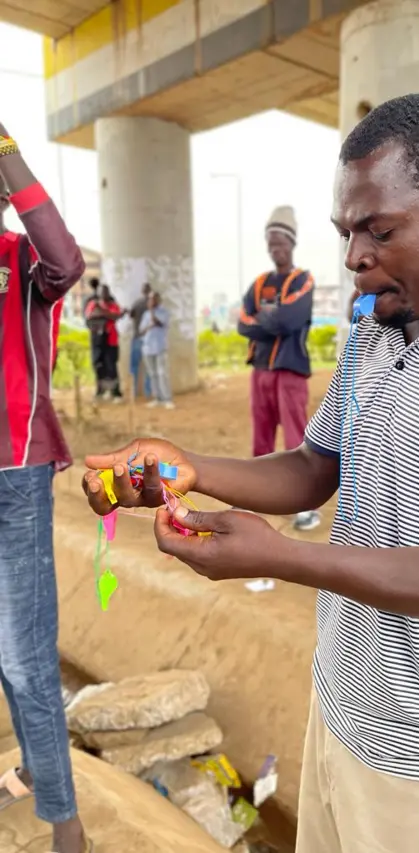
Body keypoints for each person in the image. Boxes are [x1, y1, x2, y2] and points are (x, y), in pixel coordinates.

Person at [83, 94, 419, 853]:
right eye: (345, 232)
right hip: (338, 704)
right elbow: (312, 466)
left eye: (380, 229)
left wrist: (283, 558)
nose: (355, 256)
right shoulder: (374, 328)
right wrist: (186, 466)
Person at [0, 124, 92, 852]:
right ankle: (34, 764)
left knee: (26, 652)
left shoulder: (24, 260)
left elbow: (69, 257)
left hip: (15, 473)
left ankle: (66, 823)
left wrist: (9, 154)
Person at [237, 205, 319, 532]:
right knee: (261, 439)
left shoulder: (303, 279)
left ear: (292, 243)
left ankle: (306, 507)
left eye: (280, 243)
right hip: (261, 372)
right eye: (270, 244)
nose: (275, 250)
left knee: (297, 441)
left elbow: (291, 319)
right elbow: (243, 324)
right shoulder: (259, 284)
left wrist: (265, 318)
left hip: (290, 371)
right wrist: (271, 320)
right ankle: (258, 499)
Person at [85, 284, 124, 403]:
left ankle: (116, 393)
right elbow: (89, 317)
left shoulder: (113, 305)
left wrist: (101, 311)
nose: (103, 294)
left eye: (105, 292)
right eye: (101, 292)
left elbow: (116, 316)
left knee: (111, 366)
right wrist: (106, 315)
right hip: (97, 340)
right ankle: (101, 391)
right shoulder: (92, 304)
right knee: (98, 365)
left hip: (111, 340)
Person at [140, 290, 174, 410]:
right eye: (149, 299)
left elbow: (159, 323)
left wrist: (151, 312)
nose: (151, 301)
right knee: (152, 374)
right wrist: (148, 325)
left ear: (158, 300)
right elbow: (141, 331)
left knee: (162, 373)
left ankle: (167, 399)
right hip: (148, 347)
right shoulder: (145, 315)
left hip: (160, 347)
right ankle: (157, 398)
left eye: (153, 299)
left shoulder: (163, 312)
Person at [129, 282, 152, 399]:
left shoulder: (137, 303)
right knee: (149, 367)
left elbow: (131, 315)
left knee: (134, 367)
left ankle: (134, 392)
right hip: (149, 340)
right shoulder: (153, 304)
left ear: (143, 291)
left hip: (137, 337)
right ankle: (148, 393)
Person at [83, 277, 105, 399]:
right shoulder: (106, 297)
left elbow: (86, 318)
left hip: (97, 334)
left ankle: (100, 389)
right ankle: (103, 389)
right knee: (103, 362)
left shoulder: (89, 299)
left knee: (97, 362)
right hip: (103, 333)